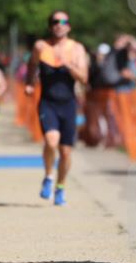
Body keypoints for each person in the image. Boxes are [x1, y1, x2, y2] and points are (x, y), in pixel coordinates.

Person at [25, 11, 89, 206]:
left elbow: (84, 78)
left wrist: (69, 65)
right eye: (55, 22)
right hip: (47, 102)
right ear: (50, 26)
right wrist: (29, 82)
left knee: (66, 152)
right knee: (51, 142)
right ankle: (48, 176)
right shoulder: (41, 47)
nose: (59, 25)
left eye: (63, 22)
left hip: (68, 104)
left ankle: (60, 187)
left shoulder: (76, 49)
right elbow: (32, 65)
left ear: (68, 26)